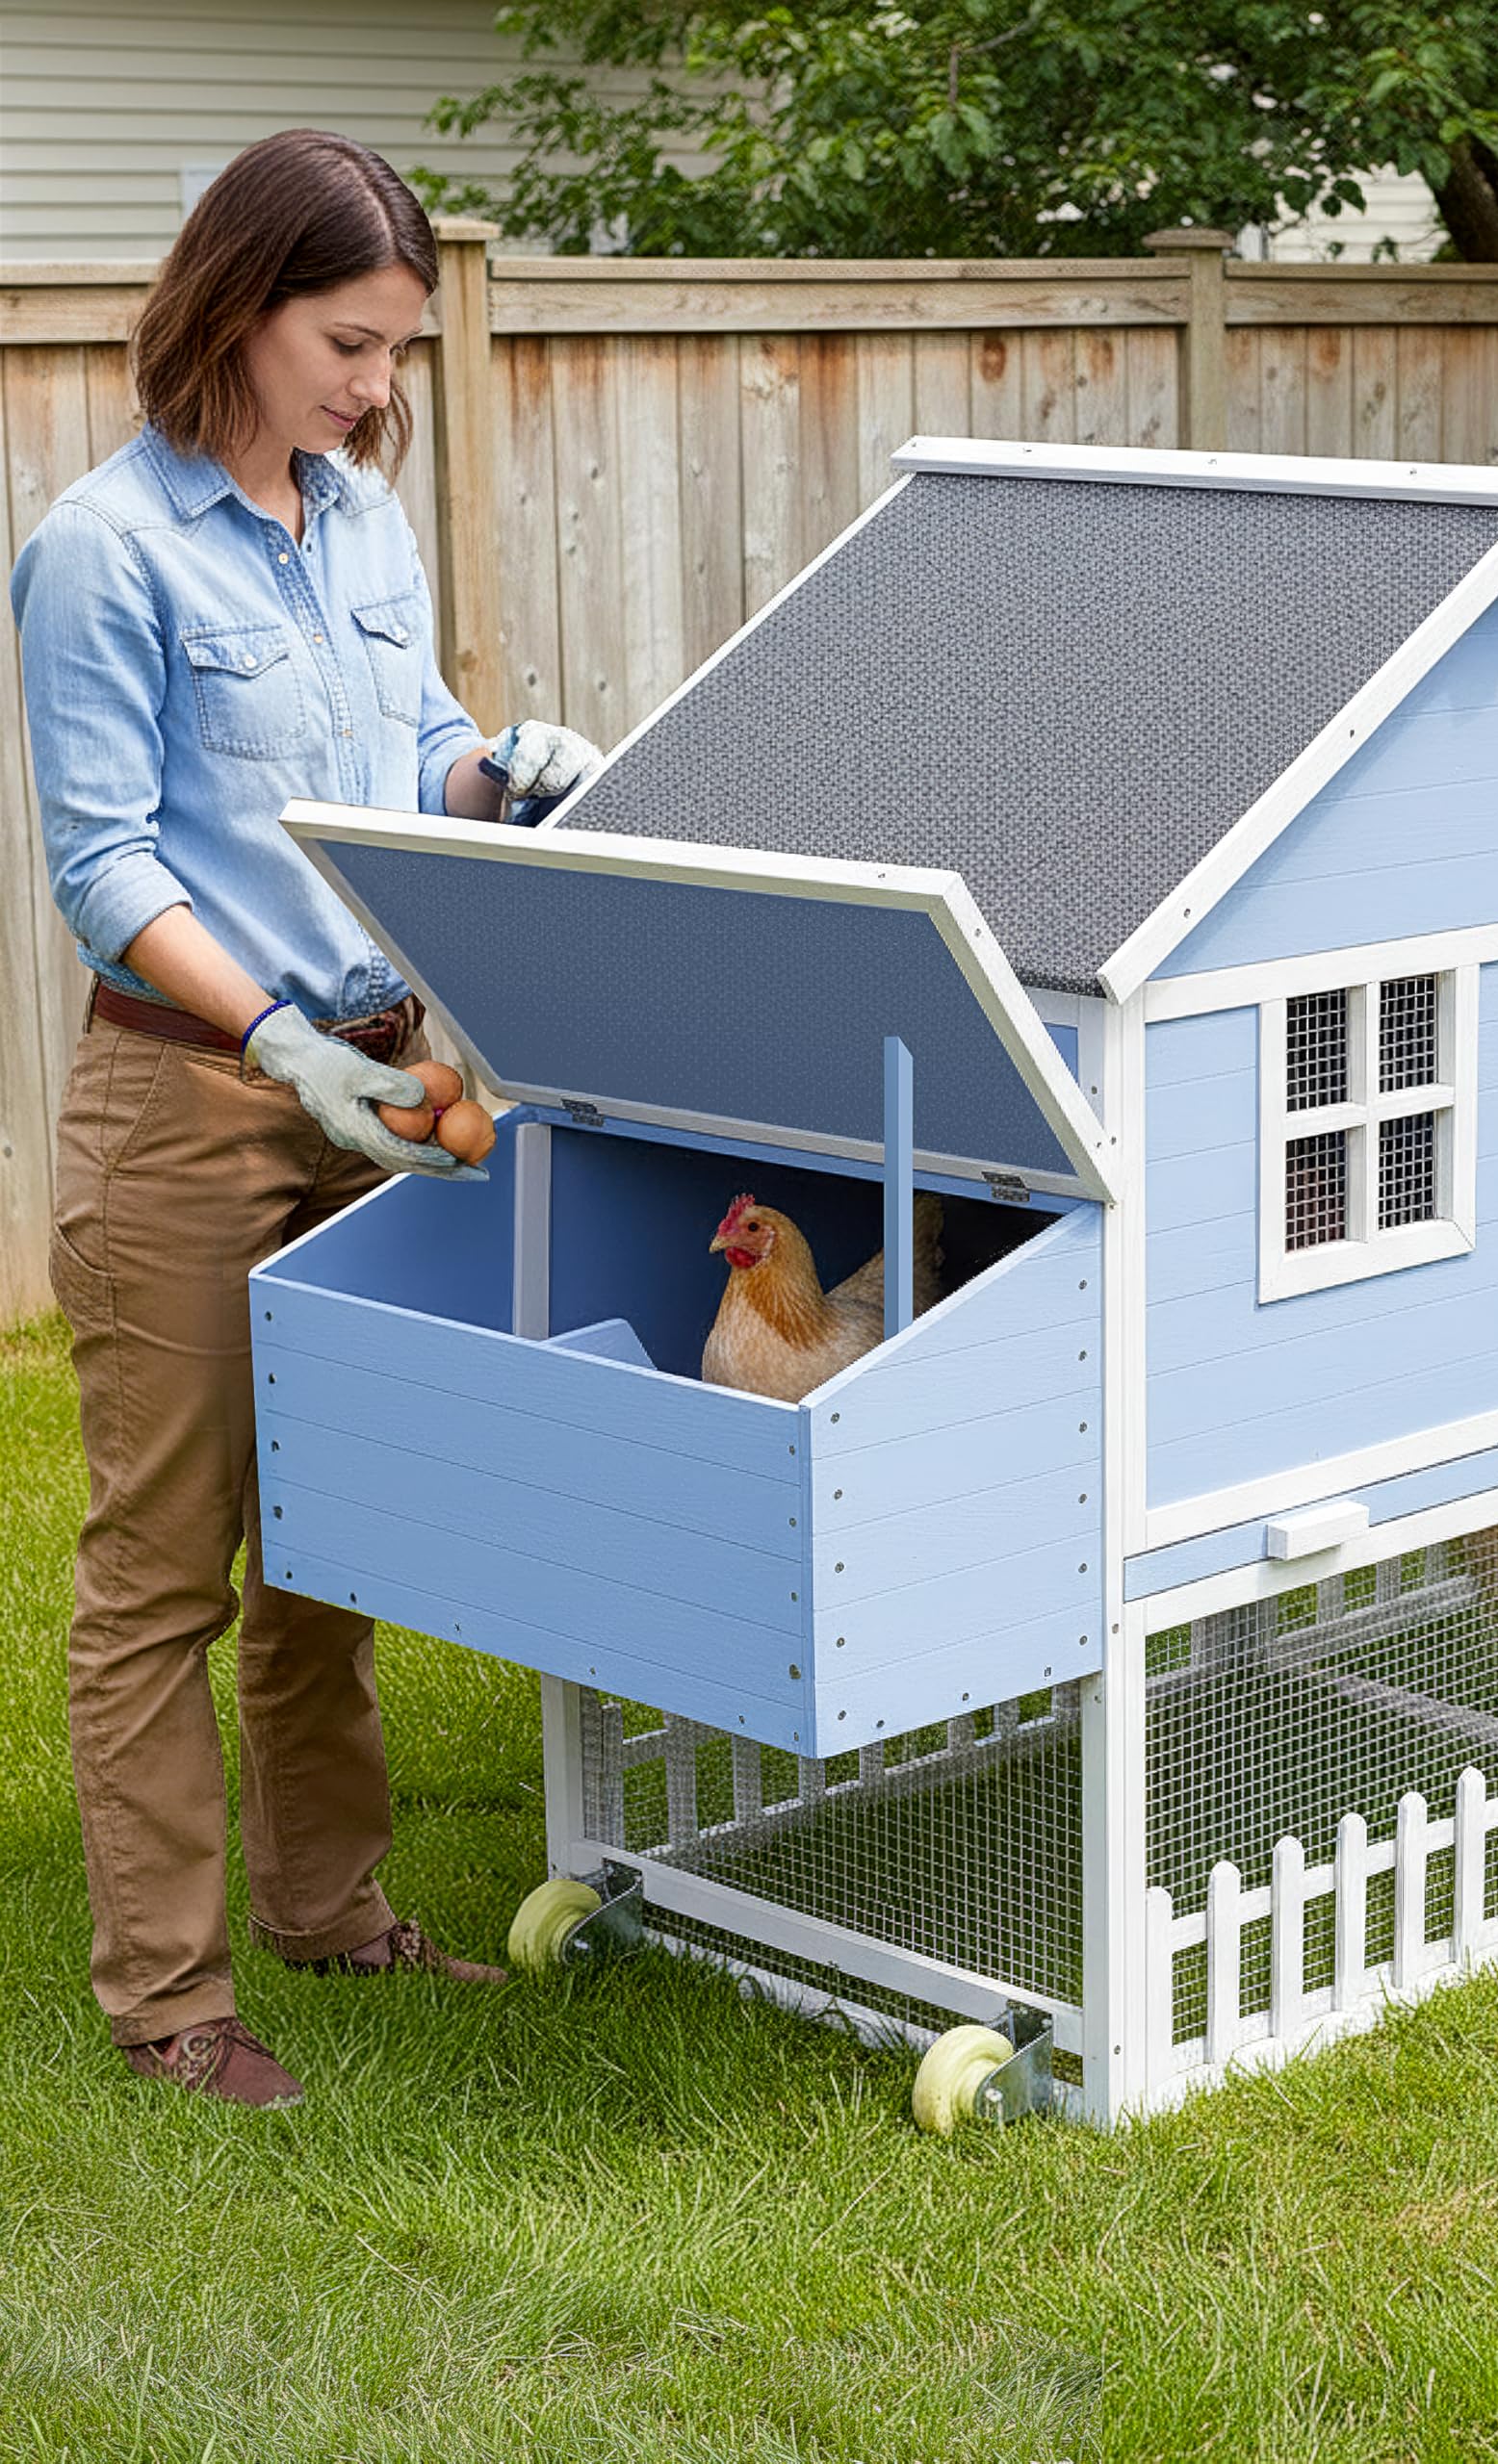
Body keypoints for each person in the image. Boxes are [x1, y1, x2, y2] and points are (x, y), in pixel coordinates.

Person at [9, 129, 603, 2109]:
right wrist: (279, 1042)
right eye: (349, 341)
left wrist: (499, 770)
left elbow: (407, 742)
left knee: (330, 1534)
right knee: (163, 1571)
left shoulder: (358, 519)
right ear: (238, 307)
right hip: (191, 1101)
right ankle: (170, 1998)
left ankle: (330, 1908)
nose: (375, 385)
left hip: (381, 1079)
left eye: (394, 348)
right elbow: (102, 860)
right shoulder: (104, 548)